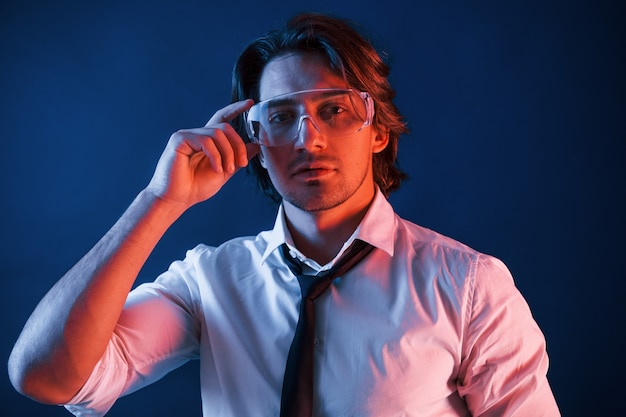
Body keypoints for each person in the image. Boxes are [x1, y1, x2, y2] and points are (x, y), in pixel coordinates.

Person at [8, 12, 560, 417]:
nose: (307, 138)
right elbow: (46, 377)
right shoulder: (210, 282)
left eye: (334, 110)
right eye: (281, 115)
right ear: (253, 141)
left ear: (378, 132)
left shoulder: (468, 286)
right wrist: (159, 201)